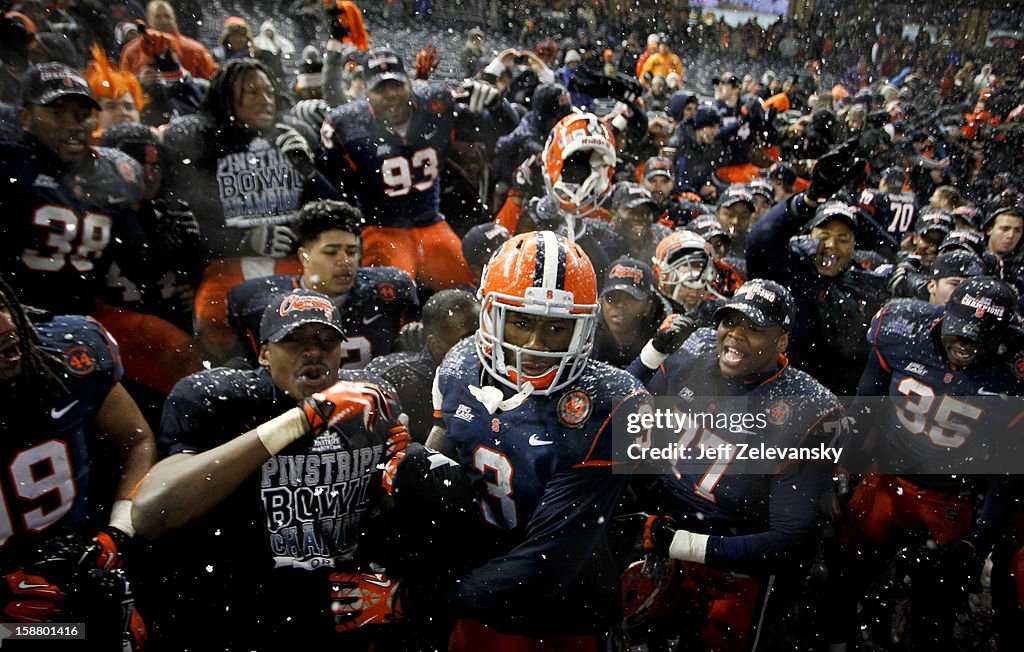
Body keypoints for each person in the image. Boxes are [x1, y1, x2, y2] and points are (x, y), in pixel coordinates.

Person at [329, 231, 652, 649]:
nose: (537, 345)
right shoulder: (462, 363)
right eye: (520, 321)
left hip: (565, 615)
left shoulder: (611, 403)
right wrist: (402, 466)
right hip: (474, 595)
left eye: (557, 327)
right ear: (490, 316)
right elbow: (439, 472)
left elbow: (545, 566)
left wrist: (413, 599)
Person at [131, 288, 409, 650]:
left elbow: (396, 518)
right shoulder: (220, 398)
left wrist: (407, 589)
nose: (314, 351)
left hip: (332, 617)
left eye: (327, 340)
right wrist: (297, 422)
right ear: (263, 353)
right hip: (233, 616)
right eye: (294, 340)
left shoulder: (371, 402)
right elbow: (152, 513)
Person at [627, 279, 843, 650]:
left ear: (782, 342)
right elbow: (613, 411)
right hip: (659, 530)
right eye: (730, 322)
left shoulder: (809, 410)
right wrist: (653, 354)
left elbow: (789, 540)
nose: (735, 336)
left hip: (734, 563)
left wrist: (684, 545)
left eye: (755, 328)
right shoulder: (691, 354)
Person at [830, 277, 1023, 650]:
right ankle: (840, 633)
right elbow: (867, 404)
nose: (966, 345)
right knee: (848, 565)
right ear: (942, 318)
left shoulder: (1013, 367)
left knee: (938, 597)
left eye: (979, 337)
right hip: (886, 474)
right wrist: (847, 468)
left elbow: (1009, 464)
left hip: (950, 491)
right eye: (959, 333)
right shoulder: (902, 327)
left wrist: (979, 537)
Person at [0, 274, 153, 648]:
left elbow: (136, 441)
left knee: (110, 631)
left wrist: (117, 531)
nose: (6, 330)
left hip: (64, 562)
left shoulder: (67, 347)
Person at [322, 48, 518, 291]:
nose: (390, 95)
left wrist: (497, 103)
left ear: (409, 84)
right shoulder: (347, 124)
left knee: (469, 288)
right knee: (387, 295)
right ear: (367, 92)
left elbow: (505, 129)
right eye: (380, 89)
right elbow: (333, 183)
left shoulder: (435, 106)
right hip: (381, 227)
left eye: (396, 86)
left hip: (431, 221)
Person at [221, 199, 417, 367]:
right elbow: (244, 367)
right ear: (304, 257)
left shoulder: (390, 290)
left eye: (351, 252)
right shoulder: (260, 301)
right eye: (331, 252)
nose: (345, 261)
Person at [365, 288, 478, 442]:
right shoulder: (392, 379)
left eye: (484, 333)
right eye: (467, 338)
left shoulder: (503, 367)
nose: (478, 344)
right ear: (435, 344)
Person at [593, 257, 671, 368]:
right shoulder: (587, 338)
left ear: (648, 306)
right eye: (612, 298)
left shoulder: (665, 342)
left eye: (630, 298)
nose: (620, 305)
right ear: (601, 301)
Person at [119, 0, 217, 80]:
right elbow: (124, 84)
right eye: (158, 17)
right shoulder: (133, 51)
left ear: (174, 19)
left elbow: (212, 79)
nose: (164, 21)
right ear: (149, 20)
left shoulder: (194, 49)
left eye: (167, 16)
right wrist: (140, 80)